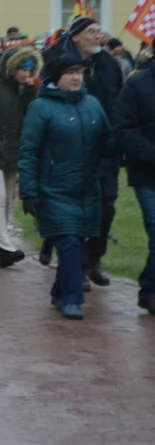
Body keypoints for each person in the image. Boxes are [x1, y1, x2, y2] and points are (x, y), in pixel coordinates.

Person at [20, 55, 115, 319]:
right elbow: (29, 151)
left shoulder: (93, 105)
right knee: (70, 242)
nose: (76, 77)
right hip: (54, 190)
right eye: (69, 72)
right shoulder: (40, 108)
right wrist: (28, 191)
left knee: (73, 242)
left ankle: (59, 292)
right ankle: (73, 299)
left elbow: (107, 142)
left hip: (87, 190)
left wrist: (122, 137)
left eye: (79, 72)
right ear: (55, 77)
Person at [41, 16, 124, 288]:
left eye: (100, 32)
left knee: (106, 207)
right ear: (76, 36)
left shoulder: (110, 65)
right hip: (71, 148)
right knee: (74, 209)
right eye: (91, 32)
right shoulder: (60, 62)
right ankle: (78, 267)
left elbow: (118, 103)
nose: (98, 37)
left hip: (105, 148)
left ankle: (94, 259)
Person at [0, 46, 41, 268]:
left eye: (30, 69)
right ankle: (6, 245)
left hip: (15, 151)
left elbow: (31, 116)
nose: (27, 74)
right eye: (23, 69)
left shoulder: (25, 91)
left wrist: (29, 92)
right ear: (11, 68)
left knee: (8, 200)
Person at [113, 56, 155, 314]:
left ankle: (149, 285)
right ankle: (150, 290)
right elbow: (124, 129)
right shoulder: (137, 85)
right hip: (147, 175)